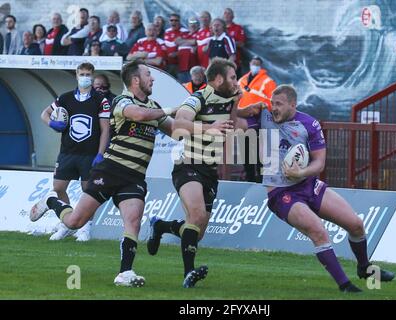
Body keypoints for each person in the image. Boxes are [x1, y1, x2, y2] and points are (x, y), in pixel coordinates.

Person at [30, 60, 176, 286]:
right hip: (110, 170)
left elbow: (177, 130)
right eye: (148, 74)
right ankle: (52, 201)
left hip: (134, 176)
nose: (153, 78)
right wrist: (169, 109)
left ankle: (125, 273)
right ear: (135, 80)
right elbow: (138, 115)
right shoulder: (121, 101)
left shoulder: (153, 106)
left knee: (133, 221)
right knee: (75, 221)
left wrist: (210, 129)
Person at [239, 84, 395, 292]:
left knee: (356, 225)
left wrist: (300, 173)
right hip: (280, 192)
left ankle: (365, 268)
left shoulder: (309, 124)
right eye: (272, 103)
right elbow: (234, 122)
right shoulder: (263, 117)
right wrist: (239, 107)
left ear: (293, 104)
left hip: (308, 185)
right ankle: (345, 286)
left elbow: (319, 163)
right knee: (319, 232)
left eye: (279, 104)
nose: (274, 108)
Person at [147, 57, 246, 288]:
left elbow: (233, 125)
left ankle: (161, 226)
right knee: (197, 216)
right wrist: (209, 128)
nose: (236, 81)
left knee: (196, 232)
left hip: (210, 171)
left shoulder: (230, 98)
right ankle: (189, 274)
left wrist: (241, 108)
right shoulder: (197, 98)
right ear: (219, 79)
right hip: (188, 165)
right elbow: (179, 123)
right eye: (232, 77)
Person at [36, 62, 111, 242]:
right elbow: (44, 114)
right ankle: (67, 223)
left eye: (88, 74)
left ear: (92, 77)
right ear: (77, 76)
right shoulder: (65, 98)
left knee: (88, 192)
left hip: (90, 154)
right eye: (82, 74)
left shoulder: (101, 100)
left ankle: (85, 227)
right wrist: (52, 123)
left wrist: (100, 154)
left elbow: (106, 130)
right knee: (58, 188)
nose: (85, 77)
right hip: (67, 153)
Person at [237, 56, 276, 182]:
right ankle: (249, 178)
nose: (255, 66)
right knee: (246, 151)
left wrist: (262, 109)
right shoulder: (242, 80)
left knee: (260, 153)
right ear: (250, 63)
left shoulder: (268, 81)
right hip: (243, 119)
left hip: (259, 120)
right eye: (253, 63)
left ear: (261, 66)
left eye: (257, 64)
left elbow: (273, 102)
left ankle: (261, 180)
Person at [223, 8, 246, 77]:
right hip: (221, 63)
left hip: (234, 63)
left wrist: (229, 43)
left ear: (233, 16)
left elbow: (242, 44)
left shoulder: (238, 28)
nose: (226, 15)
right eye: (225, 13)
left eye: (229, 13)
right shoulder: (219, 28)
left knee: (234, 85)